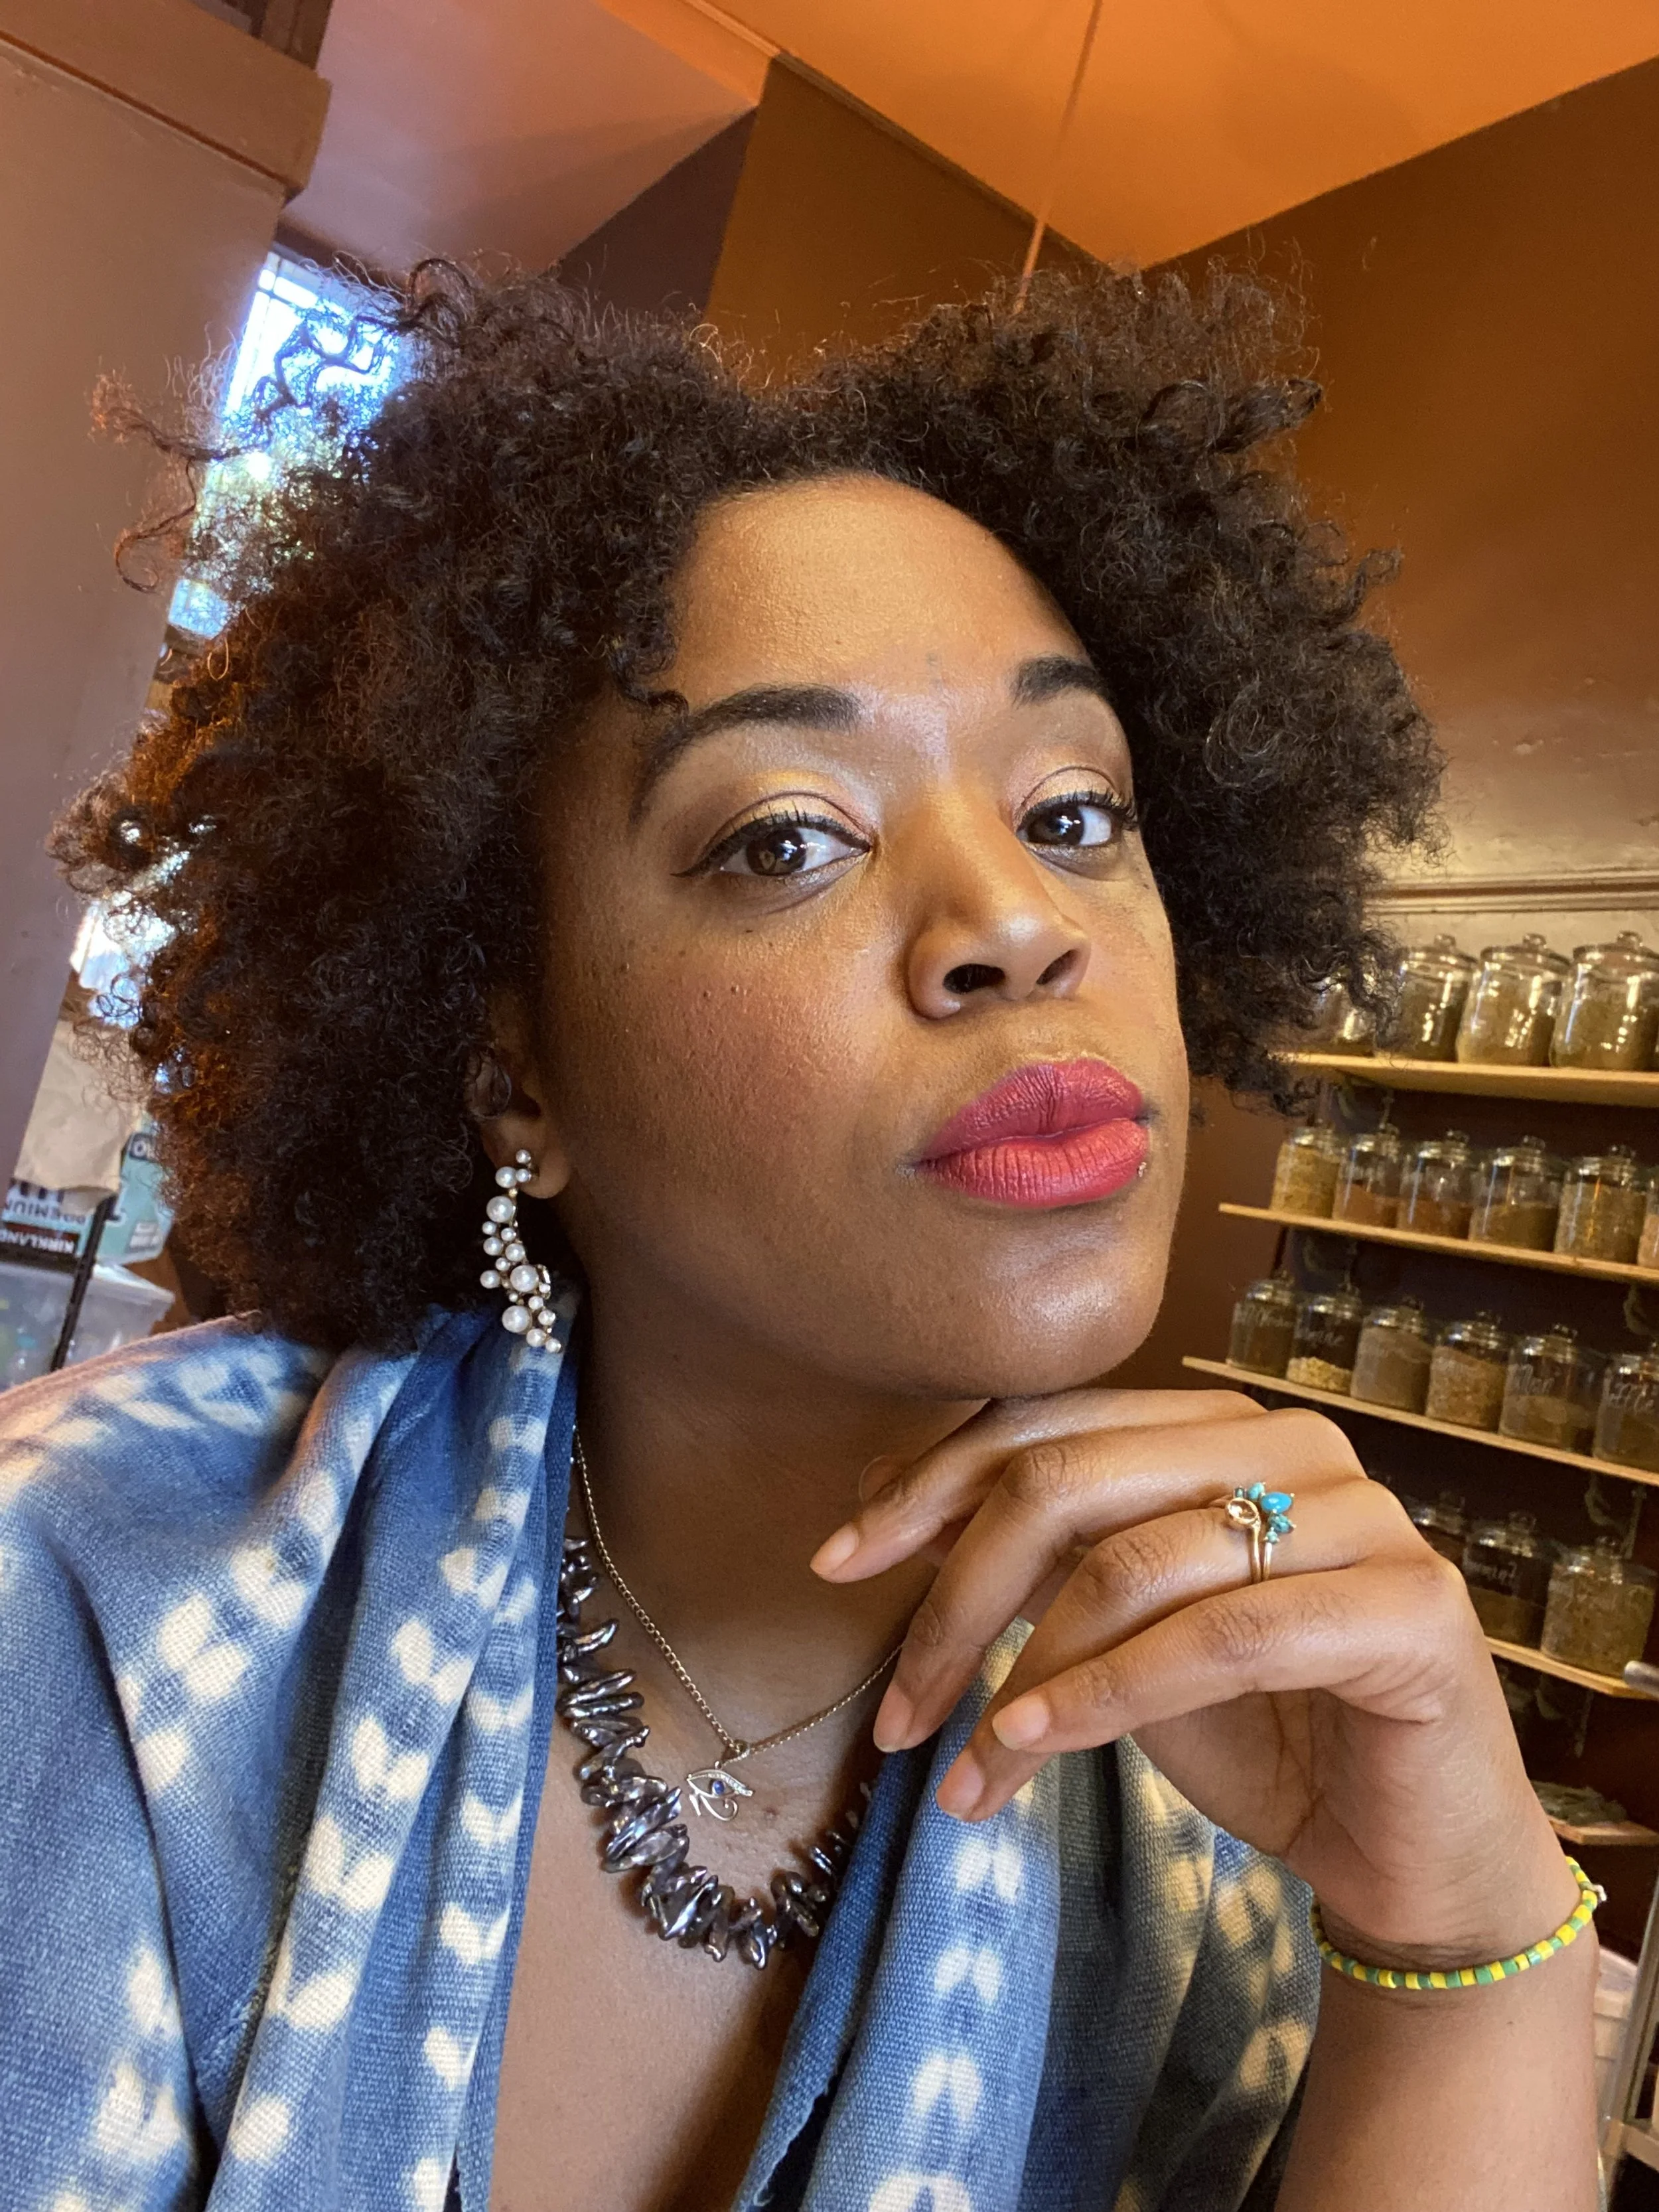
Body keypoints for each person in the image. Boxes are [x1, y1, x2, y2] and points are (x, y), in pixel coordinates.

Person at [1, 266, 1597, 2212]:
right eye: (784, 836)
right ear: (514, 1070)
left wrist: (1460, 1951)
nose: (1019, 921)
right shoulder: (92, 1600)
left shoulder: (1220, 1788)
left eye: (1079, 808)